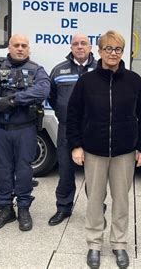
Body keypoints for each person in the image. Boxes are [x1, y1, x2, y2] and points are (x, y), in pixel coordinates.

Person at [67, 30, 141, 269]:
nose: (113, 53)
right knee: (95, 200)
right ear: (99, 51)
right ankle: (94, 244)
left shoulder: (134, 81)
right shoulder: (86, 81)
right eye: (108, 49)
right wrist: (76, 145)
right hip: (94, 151)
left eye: (117, 49)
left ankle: (119, 244)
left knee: (121, 201)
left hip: (124, 152)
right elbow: (73, 115)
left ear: (122, 52)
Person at [0, 34, 50, 232]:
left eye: (23, 45)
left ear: (28, 49)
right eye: (16, 45)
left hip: (25, 128)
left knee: (24, 169)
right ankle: (6, 208)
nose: (19, 48)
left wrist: (13, 100)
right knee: (2, 168)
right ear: (9, 47)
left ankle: (24, 208)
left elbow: (42, 91)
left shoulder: (36, 70)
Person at [47, 33, 97, 226]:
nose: (80, 47)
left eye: (84, 43)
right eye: (75, 44)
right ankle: (63, 208)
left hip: (94, 130)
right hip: (67, 128)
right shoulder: (59, 71)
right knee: (66, 170)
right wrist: (62, 112)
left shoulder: (100, 69)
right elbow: (52, 96)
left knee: (95, 174)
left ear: (90, 47)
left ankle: (96, 209)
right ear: (71, 47)